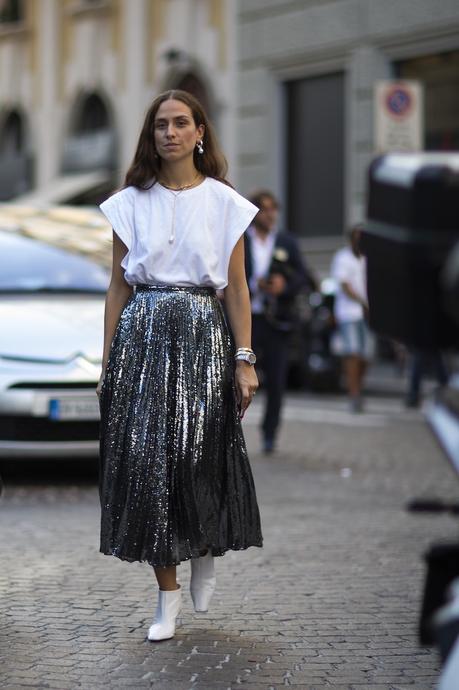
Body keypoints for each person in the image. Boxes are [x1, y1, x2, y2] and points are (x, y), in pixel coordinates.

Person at [96, 90, 263, 642]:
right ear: (152, 135)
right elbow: (118, 285)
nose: (170, 132)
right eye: (160, 124)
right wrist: (107, 362)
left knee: (198, 458)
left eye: (181, 123)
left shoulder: (225, 203)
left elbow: (236, 289)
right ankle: (165, 597)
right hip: (142, 337)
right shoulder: (128, 203)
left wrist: (243, 359)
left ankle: (205, 549)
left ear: (200, 133)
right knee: (146, 465)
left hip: (202, 332)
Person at [244, 190, 314, 453]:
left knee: (276, 380)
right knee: (232, 377)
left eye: (274, 208)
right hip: (247, 318)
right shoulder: (241, 239)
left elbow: (302, 276)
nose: (270, 214)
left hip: (277, 320)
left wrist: (283, 286)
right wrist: (254, 284)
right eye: (264, 209)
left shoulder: (286, 241)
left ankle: (269, 433)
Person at [331, 224, 372, 413]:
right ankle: (354, 394)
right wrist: (363, 302)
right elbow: (345, 286)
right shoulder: (342, 258)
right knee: (353, 354)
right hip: (349, 314)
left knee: (366, 356)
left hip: (368, 315)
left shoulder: (368, 258)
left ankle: (358, 389)